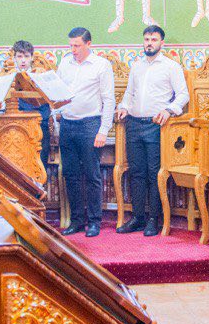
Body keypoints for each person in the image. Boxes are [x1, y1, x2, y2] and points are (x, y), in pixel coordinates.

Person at [116, 26, 189, 237]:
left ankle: (153, 219)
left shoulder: (171, 67)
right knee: (136, 172)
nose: (149, 43)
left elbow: (183, 95)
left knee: (153, 173)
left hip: (155, 126)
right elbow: (129, 93)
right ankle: (138, 217)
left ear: (161, 43)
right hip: (133, 124)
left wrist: (169, 110)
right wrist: (123, 107)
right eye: (147, 39)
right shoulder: (137, 66)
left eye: (154, 39)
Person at [56, 27, 116, 237]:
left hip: (90, 124)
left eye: (77, 46)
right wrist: (57, 116)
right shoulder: (65, 63)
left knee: (92, 175)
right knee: (70, 175)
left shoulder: (101, 65)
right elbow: (57, 93)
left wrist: (103, 130)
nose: (73, 50)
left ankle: (94, 221)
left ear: (89, 44)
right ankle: (77, 221)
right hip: (67, 124)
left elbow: (109, 99)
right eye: (71, 45)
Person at [11, 40, 51, 165]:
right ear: (14, 58)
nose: (23, 60)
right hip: (16, 127)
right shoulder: (9, 78)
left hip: (39, 126)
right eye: (19, 56)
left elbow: (49, 105)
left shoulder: (40, 77)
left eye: (26, 56)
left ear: (32, 57)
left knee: (39, 164)